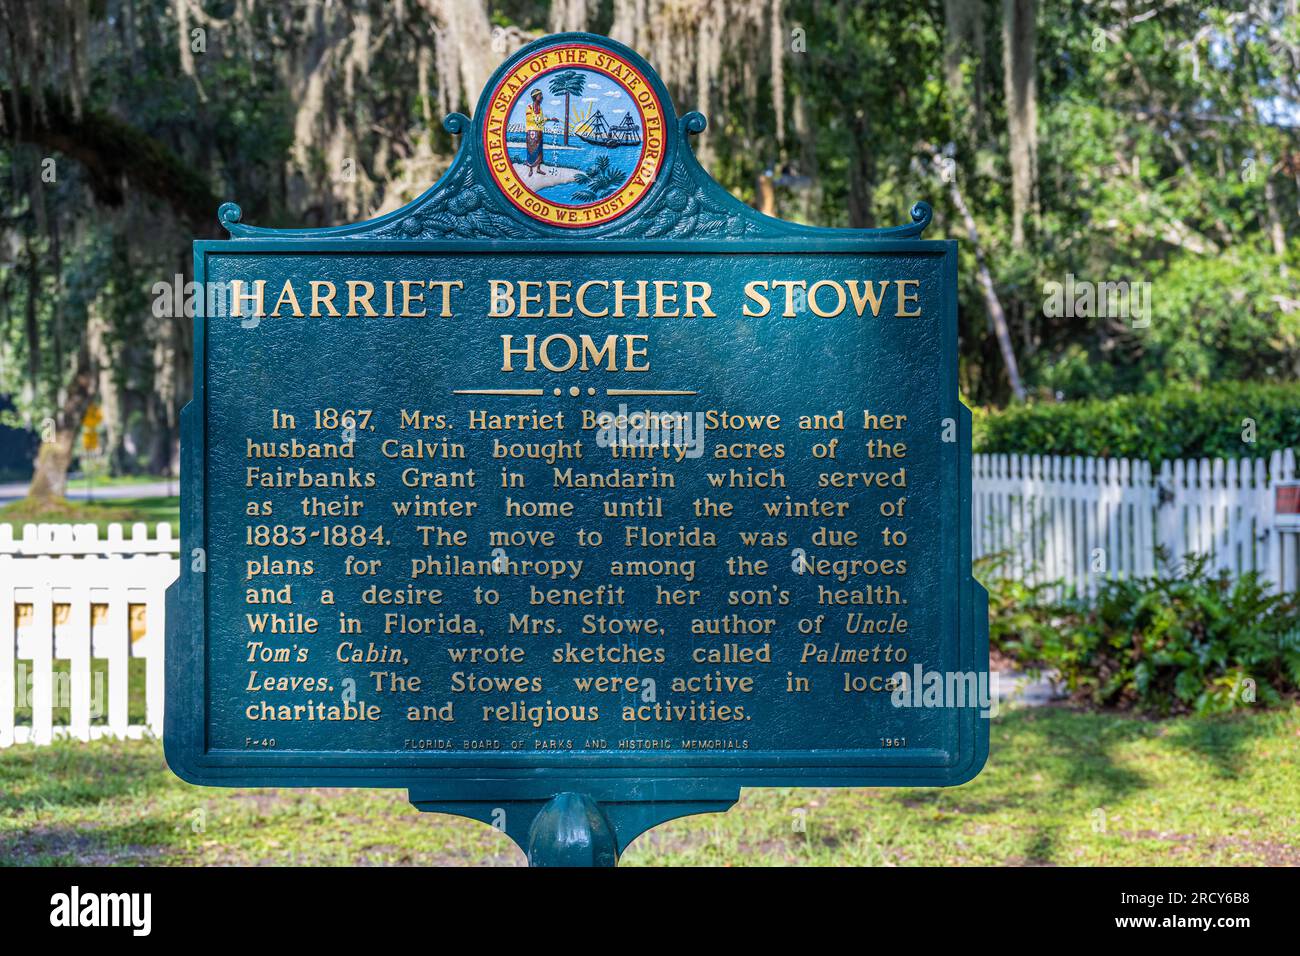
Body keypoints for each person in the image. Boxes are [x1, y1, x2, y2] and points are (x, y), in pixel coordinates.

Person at [524, 88, 554, 176]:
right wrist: (540, 119)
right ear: (535, 97)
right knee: (531, 150)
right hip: (531, 132)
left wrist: (550, 119)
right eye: (540, 96)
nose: (541, 97)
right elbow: (529, 119)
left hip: (539, 132)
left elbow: (541, 121)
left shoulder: (540, 109)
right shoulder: (529, 107)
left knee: (539, 151)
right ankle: (530, 169)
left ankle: (538, 169)